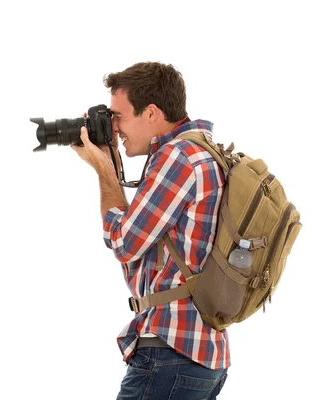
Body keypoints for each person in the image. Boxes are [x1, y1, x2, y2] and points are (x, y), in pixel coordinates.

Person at [71, 62, 229, 399]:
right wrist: (111, 160)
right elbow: (143, 252)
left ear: (152, 113)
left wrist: (103, 171)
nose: (113, 127)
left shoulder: (179, 158)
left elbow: (123, 242)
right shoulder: (202, 151)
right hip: (201, 355)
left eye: (119, 116)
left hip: (172, 353)